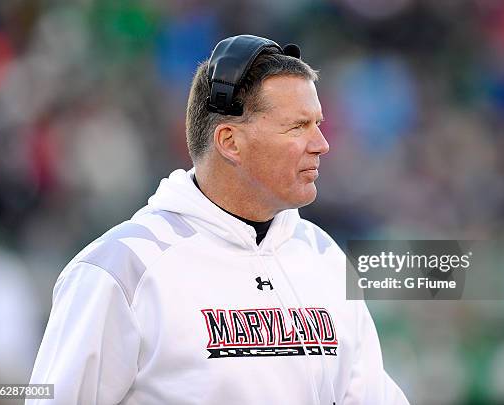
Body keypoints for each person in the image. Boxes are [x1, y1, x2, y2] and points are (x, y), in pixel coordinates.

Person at [28, 35, 409, 405]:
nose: (321, 144)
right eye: (298, 126)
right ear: (229, 142)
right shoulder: (122, 267)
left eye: (318, 124)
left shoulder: (324, 256)